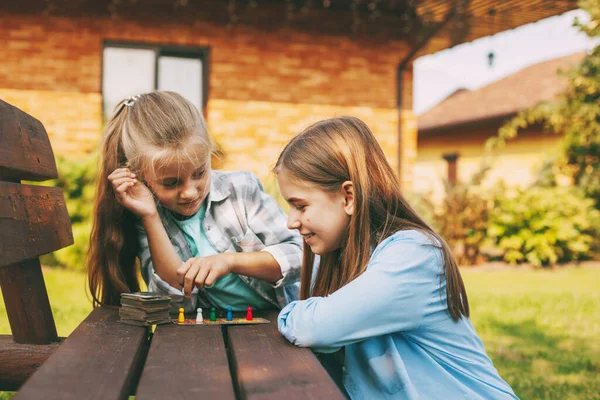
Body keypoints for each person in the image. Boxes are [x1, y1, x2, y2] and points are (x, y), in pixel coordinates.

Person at [274, 116, 518, 399]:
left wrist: (290, 312)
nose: (291, 221)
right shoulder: (351, 259)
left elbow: (317, 327)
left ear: (348, 197)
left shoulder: (413, 255)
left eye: (300, 206)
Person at [87, 91, 301, 313]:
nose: (189, 192)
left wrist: (229, 262)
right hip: (212, 331)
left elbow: (300, 256)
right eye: (171, 183)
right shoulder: (149, 219)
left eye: (199, 173)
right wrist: (150, 217)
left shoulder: (242, 189)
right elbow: (175, 304)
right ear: (140, 177)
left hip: (278, 320)